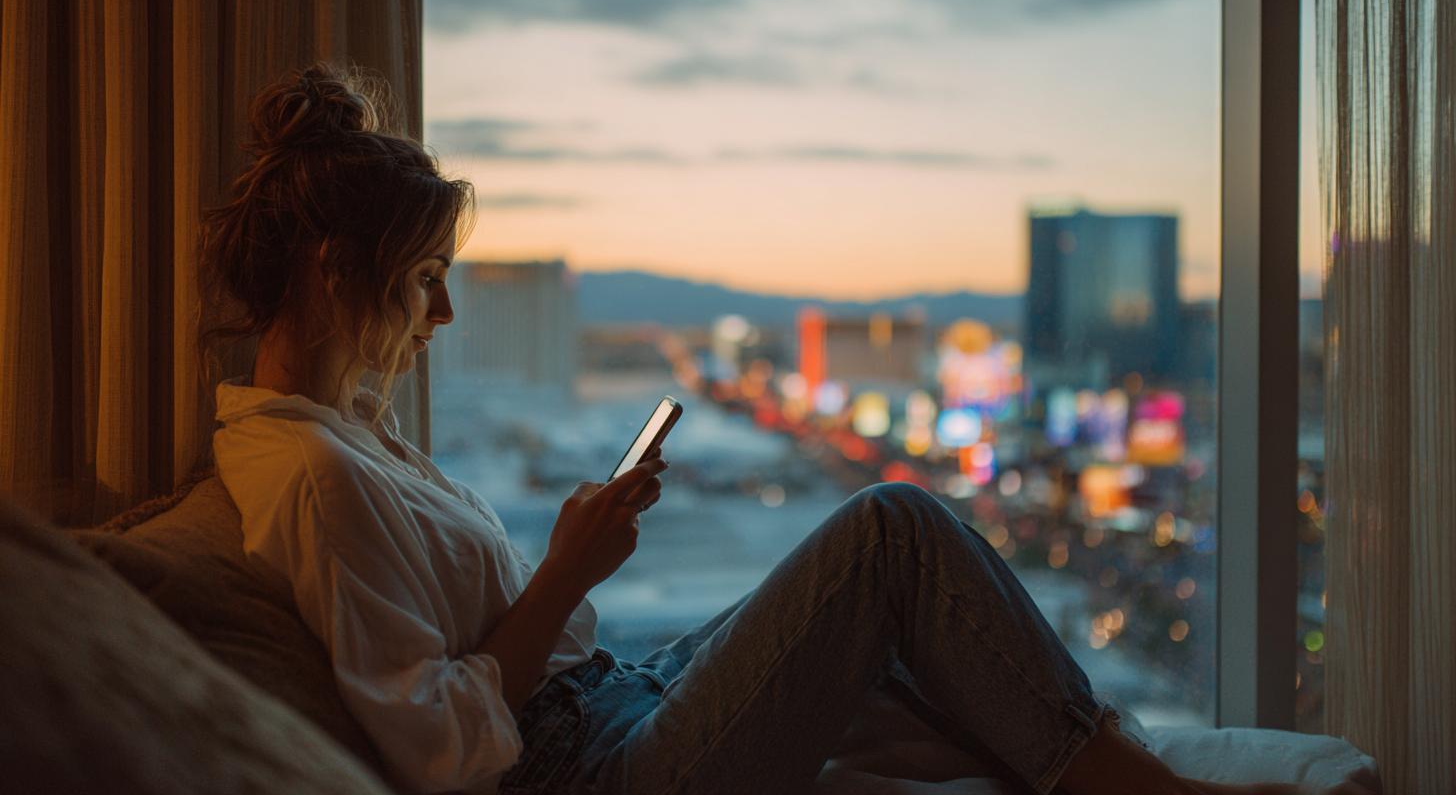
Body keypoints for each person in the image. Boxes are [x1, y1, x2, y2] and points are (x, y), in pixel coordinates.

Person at [198, 62, 1365, 795]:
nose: (441, 314)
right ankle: (1138, 787)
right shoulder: (311, 475)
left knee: (865, 618)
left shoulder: (340, 435)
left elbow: (466, 653)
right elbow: (438, 752)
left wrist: (562, 578)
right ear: (333, 268)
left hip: (603, 697)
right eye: (422, 282)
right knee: (891, 534)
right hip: (588, 767)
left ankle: (1095, 754)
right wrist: (563, 574)